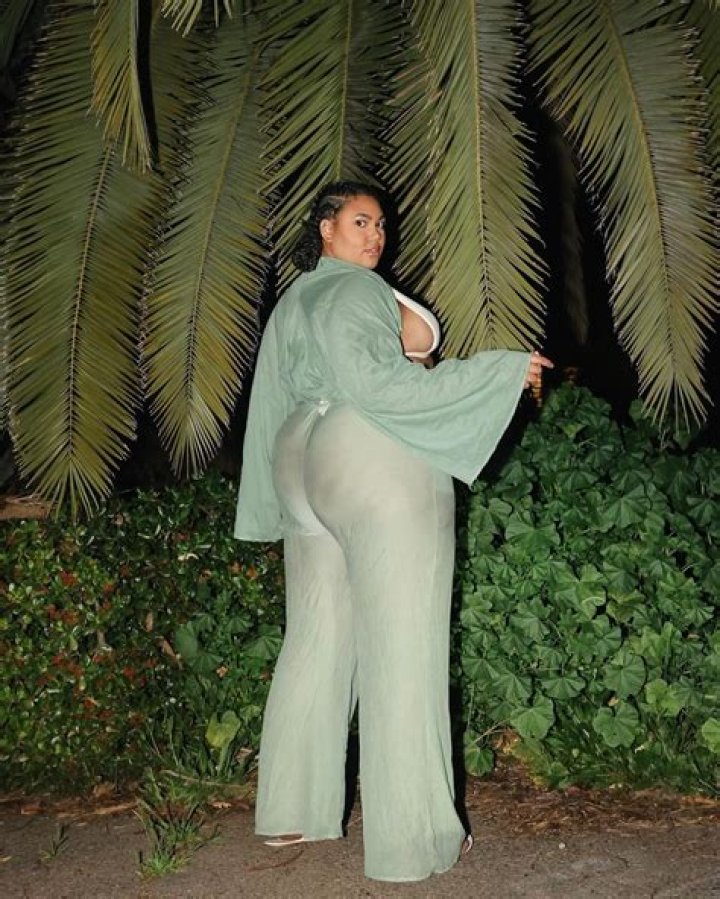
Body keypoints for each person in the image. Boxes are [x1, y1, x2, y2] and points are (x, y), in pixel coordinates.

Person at [234, 180, 551, 882]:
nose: (375, 235)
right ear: (325, 227)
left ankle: (292, 808)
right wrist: (498, 373)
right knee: (404, 645)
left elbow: (271, 402)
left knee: (316, 637)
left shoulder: (294, 300)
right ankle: (415, 838)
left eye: (380, 224)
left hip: (302, 459)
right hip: (370, 455)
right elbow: (380, 386)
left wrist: (271, 499)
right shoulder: (355, 290)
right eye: (359, 221)